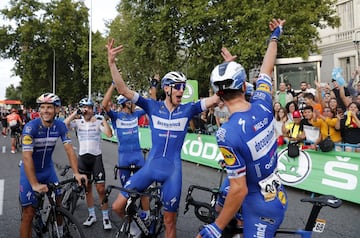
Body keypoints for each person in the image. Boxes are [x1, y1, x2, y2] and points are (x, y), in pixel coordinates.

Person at [106, 38, 220, 238]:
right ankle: (136, 229)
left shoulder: (188, 109)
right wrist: (112, 63)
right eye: (177, 86)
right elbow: (123, 90)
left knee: (169, 223)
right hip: (150, 167)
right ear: (166, 88)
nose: (181, 91)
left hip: (172, 172)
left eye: (183, 87)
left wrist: (227, 70)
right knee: (117, 206)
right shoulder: (152, 106)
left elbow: (216, 99)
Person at [197, 19, 287, 238]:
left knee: (226, 205)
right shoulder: (263, 101)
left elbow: (240, 189)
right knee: (223, 201)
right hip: (275, 194)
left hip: (258, 207)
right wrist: (274, 36)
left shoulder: (227, 133)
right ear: (244, 86)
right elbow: (267, 66)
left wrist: (215, 227)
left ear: (218, 94)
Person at [19, 93, 87, 238]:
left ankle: (60, 232)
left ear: (57, 109)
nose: (45, 111)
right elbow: (27, 157)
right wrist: (35, 184)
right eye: (42, 107)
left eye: (49, 107)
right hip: (30, 171)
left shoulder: (60, 126)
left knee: (58, 203)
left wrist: (76, 173)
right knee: (28, 214)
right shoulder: (31, 128)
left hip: (48, 170)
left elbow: (69, 149)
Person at [64, 97, 113, 230]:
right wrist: (76, 112)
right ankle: (92, 215)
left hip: (96, 158)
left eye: (90, 107)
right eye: (85, 107)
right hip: (83, 159)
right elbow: (64, 124)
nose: (87, 110)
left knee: (101, 189)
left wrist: (103, 119)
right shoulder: (78, 122)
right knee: (87, 190)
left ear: (92, 109)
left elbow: (109, 134)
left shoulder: (97, 121)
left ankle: (105, 217)